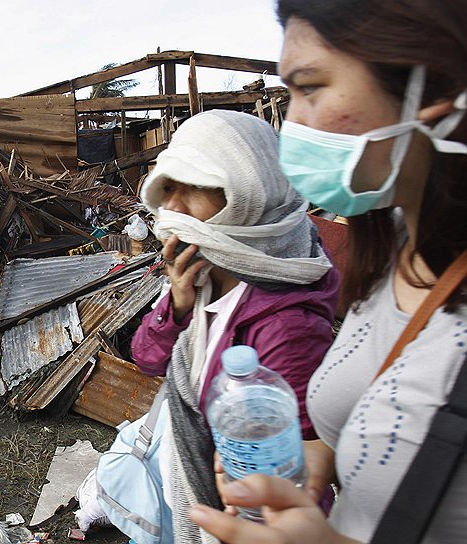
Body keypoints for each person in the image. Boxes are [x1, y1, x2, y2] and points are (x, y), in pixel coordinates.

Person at [190, 1, 467, 543]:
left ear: (432, 91)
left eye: (310, 87)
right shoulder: (392, 250)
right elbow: (355, 418)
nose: (289, 123)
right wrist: (299, 473)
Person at [130, 109, 339, 541]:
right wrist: (177, 305)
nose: (172, 207)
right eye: (168, 187)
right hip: (196, 496)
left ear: (248, 196)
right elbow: (148, 359)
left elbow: (294, 481)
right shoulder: (200, 276)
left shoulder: (286, 324)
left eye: (195, 187)